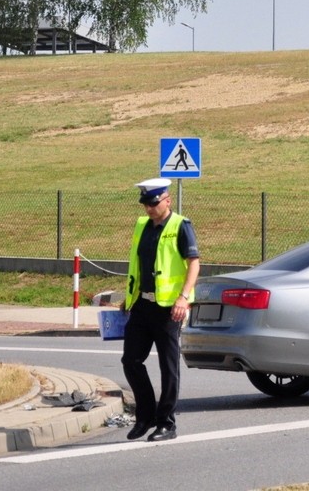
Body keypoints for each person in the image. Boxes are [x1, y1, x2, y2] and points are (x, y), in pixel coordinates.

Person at [121, 178, 200, 442]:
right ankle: (145, 416)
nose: (149, 209)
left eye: (154, 204)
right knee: (130, 361)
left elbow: (194, 264)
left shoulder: (181, 225)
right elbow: (137, 264)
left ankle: (166, 423)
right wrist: (128, 297)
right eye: (146, 204)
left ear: (167, 200)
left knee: (168, 367)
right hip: (142, 304)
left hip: (168, 308)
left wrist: (183, 298)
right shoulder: (142, 225)